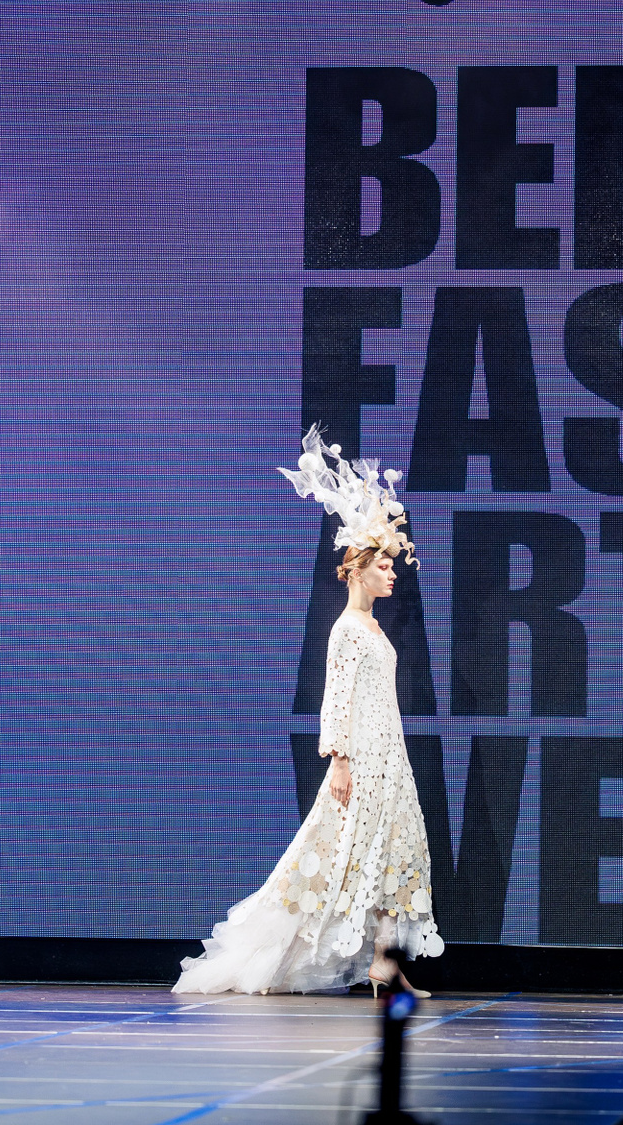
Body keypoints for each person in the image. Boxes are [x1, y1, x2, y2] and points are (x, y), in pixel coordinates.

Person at [173, 427, 445, 996]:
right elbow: (336, 696)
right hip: (362, 758)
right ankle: (277, 954)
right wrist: (340, 759)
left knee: (397, 853)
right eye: (384, 566)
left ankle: (385, 964)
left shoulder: (372, 626)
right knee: (337, 856)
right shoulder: (347, 629)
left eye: (392, 566)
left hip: (390, 753)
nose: (393, 573)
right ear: (359, 569)